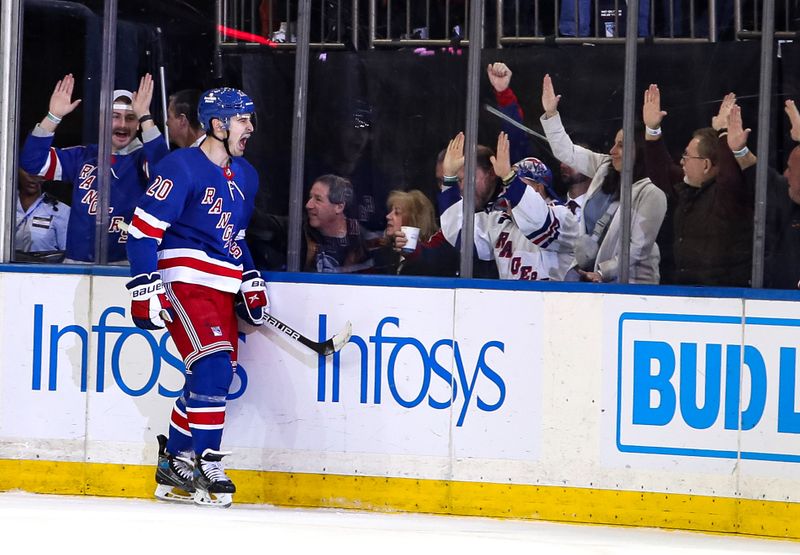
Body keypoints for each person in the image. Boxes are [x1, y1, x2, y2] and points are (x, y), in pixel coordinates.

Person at [126, 87, 267, 508]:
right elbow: (142, 230)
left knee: (211, 377)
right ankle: (207, 463)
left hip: (221, 286)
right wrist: (144, 286)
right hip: (182, 280)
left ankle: (174, 464)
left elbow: (235, 239)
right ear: (218, 124)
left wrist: (250, 278)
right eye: (243, 120)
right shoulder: (181, 167)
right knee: (213, 367)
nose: (251, 128)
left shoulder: (247, 176)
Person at [20, 73, 169, 264]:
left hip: (126, 267)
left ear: (138, 124)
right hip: (77, 267)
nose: (122, 124)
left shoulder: (143, 158)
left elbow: (166, 176)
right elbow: (32, 163)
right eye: (115, 116)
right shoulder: (83, 156)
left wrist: (146, 117)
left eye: (131, 118)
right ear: (102, 120)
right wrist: (53, 116)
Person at [540, 74, 667, 284]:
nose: (612, 150)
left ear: (639, 150)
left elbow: (638, 248)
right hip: (592, 280)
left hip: (634, 287)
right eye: (615, 143)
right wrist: (551, 114)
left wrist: (603, 272)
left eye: (621, 145)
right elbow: (567, 152)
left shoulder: (652, 192)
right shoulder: (604, 167)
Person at [642, 86, 753, 287]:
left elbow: (729, 177)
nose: (682, 161)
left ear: (706, 164)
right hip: (686, 293)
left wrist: (722, 132)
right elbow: (663, 171)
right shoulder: (688, 191)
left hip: (725, 299)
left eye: (687, 156)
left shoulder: (728, 197)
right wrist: (652, 130)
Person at [439, 132, 579, 281]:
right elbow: (461, 234)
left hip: (552, 302)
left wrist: (509, 178)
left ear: (539, 187)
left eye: (518, 182)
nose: (510, 189)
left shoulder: (563, 216)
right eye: (508, 183)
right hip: (510, 301)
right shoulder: (499, 219)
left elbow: (539, 223)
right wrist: (449, 179)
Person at [730, 101, 800, 289]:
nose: (786, 174)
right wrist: (739, 149)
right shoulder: (787, 194)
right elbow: (760, 174)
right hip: (773, 301)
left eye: (791, 169)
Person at [303, 174, 381, 273]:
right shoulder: (300, 231)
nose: (308, 205)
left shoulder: (362, 240)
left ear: (339, 207)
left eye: (318, 199)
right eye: (310, 198)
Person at [383, 189, 459, 277]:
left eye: (397, 212)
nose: (388, 216)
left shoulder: (439, 251)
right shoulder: (387, 254)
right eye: (390, 211)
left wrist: (412, 253)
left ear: (413, 219)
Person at [15, 168, 70, 259]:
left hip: (44, 271)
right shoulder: (4, 205)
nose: (33, 176)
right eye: (27, 169)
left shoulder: (61, 210)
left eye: (39, 169)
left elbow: (68, 258)